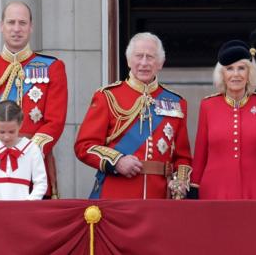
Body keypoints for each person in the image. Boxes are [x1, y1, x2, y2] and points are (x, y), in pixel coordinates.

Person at [0, 1, 67, 199]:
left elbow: (55, 120)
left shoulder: (53, 67)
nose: (17, 29)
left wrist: (28, 151)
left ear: (31, 27)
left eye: (22, 23)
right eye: (11, 22)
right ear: (1, 26)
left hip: (34, 160)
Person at [74, 32, 192, 199]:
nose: (144, 63)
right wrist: (117, 161)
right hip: (117, 194)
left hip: (159, 196)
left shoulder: (176, 102)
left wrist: (180, 183)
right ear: (129, 61)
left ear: (160, 63)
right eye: (139, 56)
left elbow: (183, 157)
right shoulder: (108, 96)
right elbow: (84, 146)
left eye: (150, 57)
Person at [188, 40, 256, 199]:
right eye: (229, 69)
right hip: (215, 190)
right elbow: (200, 154)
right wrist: (194, 188)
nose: (236, 74)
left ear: (249, 73)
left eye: (241, 68)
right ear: (222, 74)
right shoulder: (208, 105)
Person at [0, 100, 47, 200]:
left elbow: (41, 182)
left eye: (11, 132)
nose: (6, 137)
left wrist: (29, 202)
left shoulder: (32, 148)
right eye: (1, 132)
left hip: (22, 210)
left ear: (20, 124)